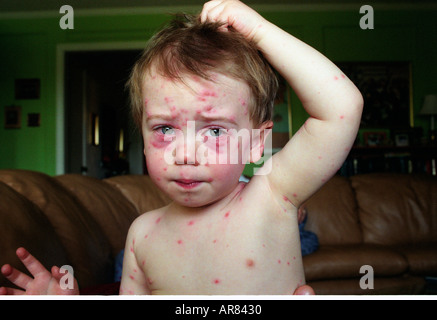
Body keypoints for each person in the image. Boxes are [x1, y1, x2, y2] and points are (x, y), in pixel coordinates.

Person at [0, 0, 362, 295]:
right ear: (142, 138)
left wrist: (259, 31)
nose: (186, 154)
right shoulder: (142, 234)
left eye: (215, 131)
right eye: (164, 128)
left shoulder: (273, 196)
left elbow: (341, 108)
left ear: (256, 143)